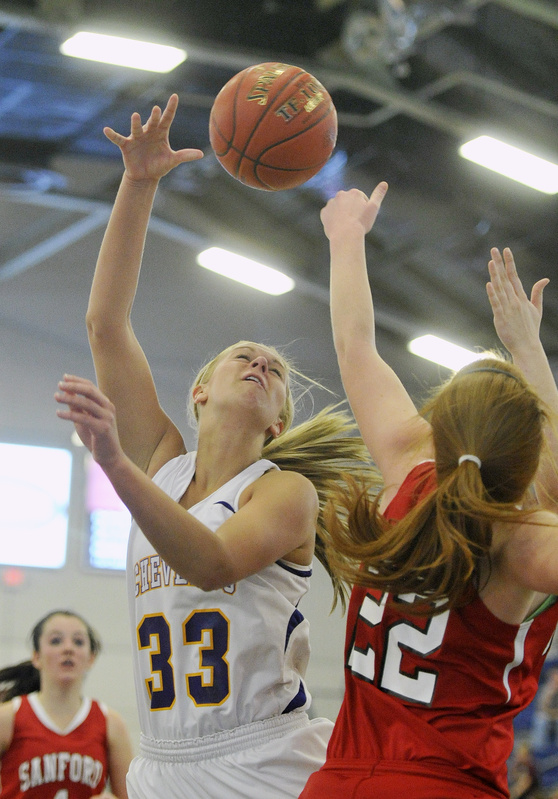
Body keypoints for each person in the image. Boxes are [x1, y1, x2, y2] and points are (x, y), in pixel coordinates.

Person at [54, 94, 373, 799]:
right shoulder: (164, 462)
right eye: (243, 356)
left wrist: (111, 461)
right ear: (198, 391)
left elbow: (211, 561)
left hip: (263, 756)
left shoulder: (285, 491)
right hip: (163, 760)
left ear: (279, 422)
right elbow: (106, 323)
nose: (261, 361)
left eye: (275, 369)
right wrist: (139, 186)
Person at [300, 184, 558, 799]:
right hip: (444, 785)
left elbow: (354, 345)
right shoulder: (524, 537)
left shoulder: (408, 467)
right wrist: (529, 348)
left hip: (336, 783)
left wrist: (346, 242)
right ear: (528, 445)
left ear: (438, 424)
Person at [0, 609, 133, 798]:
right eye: (56, 641)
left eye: (78, 642)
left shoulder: (111, 723)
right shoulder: (8, 717)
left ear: (91, 658)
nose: (68, 648)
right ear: (36, 657)